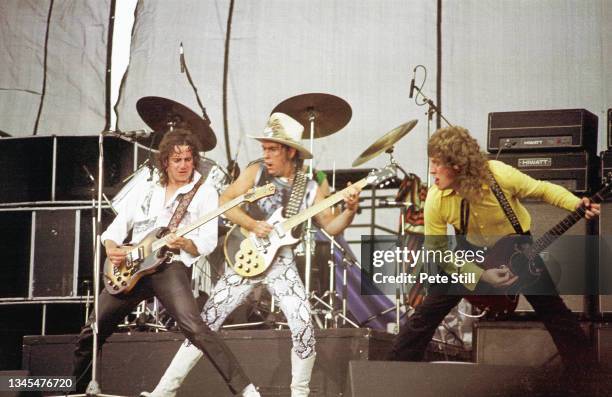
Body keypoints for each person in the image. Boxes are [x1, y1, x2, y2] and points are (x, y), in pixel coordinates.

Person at [143, 112, 361, 397]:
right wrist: (251, 224)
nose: (266, 154)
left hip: (281, 263)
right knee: (204, 325)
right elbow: (225, 202)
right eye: (264, 148)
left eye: (272, 149)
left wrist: (350, 209)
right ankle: (163, 392)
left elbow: (331, 227)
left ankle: (300, 393)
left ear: (290, 151)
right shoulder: (256, 170)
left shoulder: (311, 182)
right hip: (244, 256)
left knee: (303, 323)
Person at [387, 126, 598, 371]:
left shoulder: (499, 175)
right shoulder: (436, 198)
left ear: (457, 165)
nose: (431, 170)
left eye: (436, 163)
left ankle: (588, 378)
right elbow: (438, 252)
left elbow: (542, 189)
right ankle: (393, 371)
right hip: (470, 255)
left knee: (555, 313)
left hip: (517, 248)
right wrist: (480, 275)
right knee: (426, 314)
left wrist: (576, 203)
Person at [72, 129, 259, 396]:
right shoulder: (147, 188)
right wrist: (112, 247)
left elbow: (207, 242)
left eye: (188, 159)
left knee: (194, 327)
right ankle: (74, 390)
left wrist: (185, 243)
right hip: (131, 269)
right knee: (91, 332)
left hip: (169, 266)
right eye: (177, 160)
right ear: (165, 162)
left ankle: (246, 390)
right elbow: (117, 226)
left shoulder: (203, 192)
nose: (184, 165)